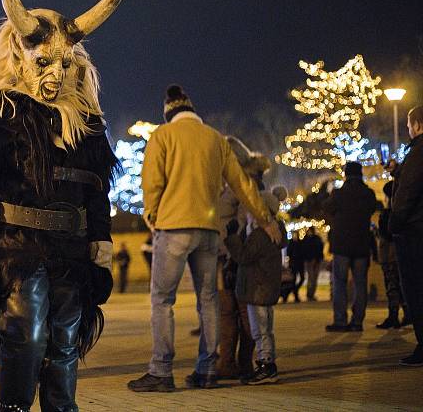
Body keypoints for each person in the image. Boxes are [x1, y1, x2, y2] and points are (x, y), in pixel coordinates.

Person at [0, 0, 141, 411]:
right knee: (24, 338)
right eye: (44, 62)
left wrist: (100, 255)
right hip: (17, 251)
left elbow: (97, 194)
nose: (55, 74)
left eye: (64, 62)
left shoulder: (86, 125)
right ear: (20, 55)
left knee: (64, 345)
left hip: (71, 254)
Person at [128, 85, 282, 393]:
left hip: (174, 227)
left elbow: (152, 181)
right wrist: (266, 221)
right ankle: (208, 368)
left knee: (162, 299)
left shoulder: (162, 136)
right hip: (210, 230)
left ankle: (161, 371)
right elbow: (241, 184)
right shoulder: (216, 139)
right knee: (208, 299)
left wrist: (152, 215)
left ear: (168, 110)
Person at [224, 188, 287, 385]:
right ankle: (266, 364)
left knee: (260, 330)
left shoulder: (261, 234)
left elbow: (244, 256)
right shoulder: (272, 230)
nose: (249, 212)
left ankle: (266, 365)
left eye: (253, 209)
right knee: (264, 329)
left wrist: (232, 236)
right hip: (263, 287)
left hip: (258, 288)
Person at [323, 161, 377, 332]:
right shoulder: (368, 193)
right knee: (360, 284)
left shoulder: (339, 194)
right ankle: (357, 321)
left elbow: (327, 208)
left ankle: (340, 320)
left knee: (340, 283)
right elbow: (372, 210)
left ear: (346, 174)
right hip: (361, 244)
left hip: (341, 246)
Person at [389, 106, 423, 366]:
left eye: (409, 124)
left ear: (418, 125)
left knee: (415, 289)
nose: (408, 129)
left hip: (413, 232)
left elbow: (407, 193)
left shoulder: (418, 152)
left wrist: (393, 224)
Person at [376, 181, 409, 329]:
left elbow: (386, 233)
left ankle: (393, 315)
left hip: (389, 254)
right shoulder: (405, 210)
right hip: (400, 253)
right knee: (402, 285)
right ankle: (408, 314)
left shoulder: (389, 214)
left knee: (392, 285)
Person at [302, 226, 325, 301]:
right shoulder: (307, 239)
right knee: (311, 278)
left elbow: (320, 248)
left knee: (314, 278)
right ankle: (309, 294)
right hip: (310, 260)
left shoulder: (315, 239)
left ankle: (311, 294)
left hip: (316, 260)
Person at [287, 231, 306, 302]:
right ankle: (295, 294)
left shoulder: (301, 243)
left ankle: (295, 290)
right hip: (293, 264)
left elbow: (303, 252)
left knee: (302, 278)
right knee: (293, 279)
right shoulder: (291, 243)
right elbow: (289, 253)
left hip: (300, 263)